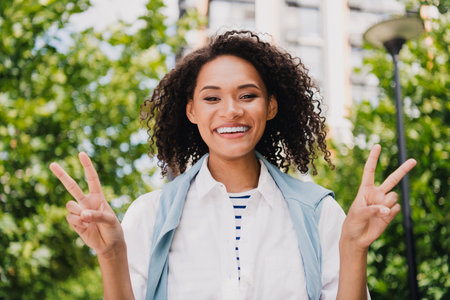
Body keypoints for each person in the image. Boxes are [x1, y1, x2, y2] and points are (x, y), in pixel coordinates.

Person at [49, 30, 416, 300]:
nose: (231, 110)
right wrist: (111, 254)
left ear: (270, 107)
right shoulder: (150, 214)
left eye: (248, 95)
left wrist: (354, 247)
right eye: (212, 98)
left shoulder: (320, 213)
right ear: (191, 111)